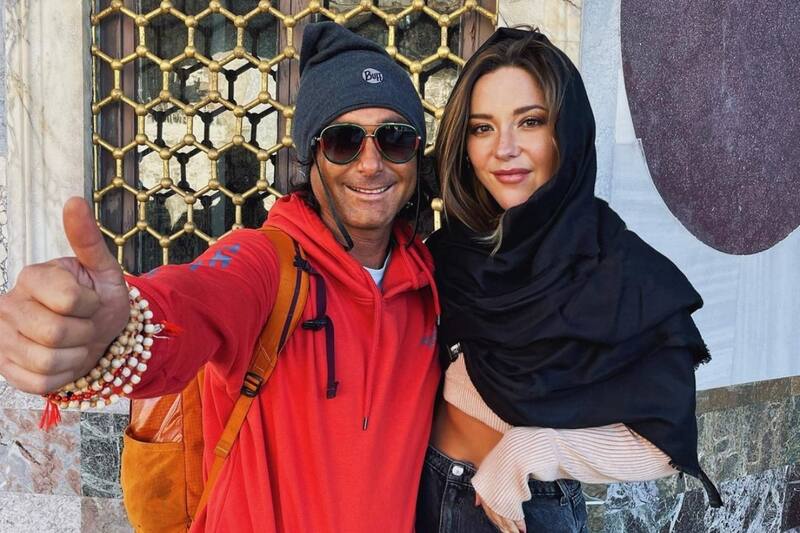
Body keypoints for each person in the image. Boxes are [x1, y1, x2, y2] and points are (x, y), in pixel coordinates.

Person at [0, 22, 441, 532]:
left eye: (394, 139)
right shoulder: (264, 263)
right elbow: (194, 300)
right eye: (344, 141)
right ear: (311, 156)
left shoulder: (429, 284)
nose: (370, 164)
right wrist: (116, 333)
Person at [418, 27, 722, 533]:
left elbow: (662, 447)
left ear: (568, 131)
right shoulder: (452, 252)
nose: (504, 149)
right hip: (421, 490)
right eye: (482, 128)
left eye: (530, 122)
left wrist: (533, 449)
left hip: (519, 510)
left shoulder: (618, 270)